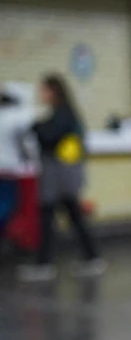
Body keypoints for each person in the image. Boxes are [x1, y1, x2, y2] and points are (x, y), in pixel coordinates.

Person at [18, 74, 103, 281]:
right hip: (62, 177)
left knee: (50, 217)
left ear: (53, 91)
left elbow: (48, 135)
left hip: (60, 176)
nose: (42, 94)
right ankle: (90, 257)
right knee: (72, 215)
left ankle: (45, 263)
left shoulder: (63, 114)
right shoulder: (62, 112)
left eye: (44, 90)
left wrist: (36, 127)